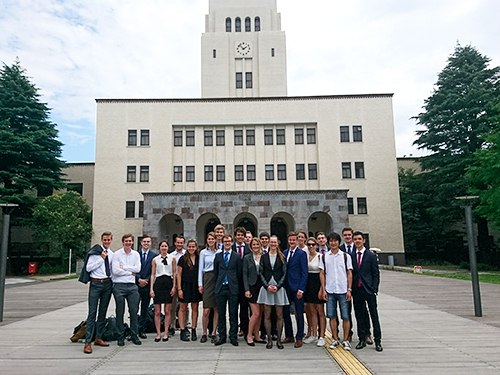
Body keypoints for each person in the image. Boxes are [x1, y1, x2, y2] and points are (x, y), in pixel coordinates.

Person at [80, 231, 114, 354]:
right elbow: (88, 268)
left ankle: (98, 337)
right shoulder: (95, 252)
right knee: (92, 313)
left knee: (103, 311)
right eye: (105, 239)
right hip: (95, 284)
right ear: (101, 240)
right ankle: (88, 341)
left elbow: (112, 269)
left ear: (111, 240)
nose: (107, 241)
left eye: (109, 239)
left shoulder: (112, 253)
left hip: (107, 284)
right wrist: (101, 259)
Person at [319, 232, 353, 351]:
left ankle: (346, 339)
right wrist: (323, 289)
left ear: (339, 242)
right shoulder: (324, 256)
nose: (333, 243)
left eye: (335, 241)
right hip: (330, 290)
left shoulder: (345, 256)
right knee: (332, 316)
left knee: (345, 316)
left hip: (343, 289)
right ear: (328, 242)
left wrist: (349, 289)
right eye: (331, 241)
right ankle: (335, 338)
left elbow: (349, 273)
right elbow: (322, 273)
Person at [351, 231, 383, 352]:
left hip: (368, 289)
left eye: (359, 239)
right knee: (359, 315)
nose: (357, 241)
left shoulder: (371, 256)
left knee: (374, 315)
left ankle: (378, 340)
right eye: (355, 239)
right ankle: (362, 339)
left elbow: (375, 274)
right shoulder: (352, 256)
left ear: (364, 241)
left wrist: (374, 289)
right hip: (357, 289)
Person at [257, 235, 288, 349]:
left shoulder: (282, 257)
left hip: (278, 288)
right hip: (267, 288)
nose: (273, 244)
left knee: (279, 315)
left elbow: (284, 273)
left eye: (275, 242)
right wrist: (267, 286)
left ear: (278, 243)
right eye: (271, 242)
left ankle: (279, 340)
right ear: (269, 243)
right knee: (267, 315)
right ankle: (269, 339)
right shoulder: (264, 257)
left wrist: (278, 286)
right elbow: (260, 272)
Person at [111, 233, 142, 346]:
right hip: (119, 286)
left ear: (133, 242)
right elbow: (115, 271)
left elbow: (138, 269)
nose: (128, 243)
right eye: (126, 241)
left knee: (133, 311)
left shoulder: (136, 254)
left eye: (130, 241)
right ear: (123, 242)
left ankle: (134, 334)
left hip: (132, 286)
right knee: (120, 311)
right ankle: (120, 335)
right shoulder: (117, 254)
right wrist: (130, 271)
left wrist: (123, 267)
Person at [213, 234, 243, 346]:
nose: (227, 243)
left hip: (232, 288)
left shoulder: (236, 256)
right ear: (223, 242)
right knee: (221, 314)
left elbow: (239, 273)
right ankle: (222, 336)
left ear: (231, 242)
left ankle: (233, 336)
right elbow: (216, 272)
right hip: (221, 287)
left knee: (233, 313)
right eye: (225, 241)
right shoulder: (218, 256)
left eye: (229, 241)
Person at [283, 231, 308, 348]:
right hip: (286, 287)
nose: (292, 242)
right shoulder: (284, 252)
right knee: (285, 312)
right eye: (290, 240)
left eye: (294, 240)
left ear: (297, 241)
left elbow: (304, 273)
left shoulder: (301, 254)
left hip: (297, 287)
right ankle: (289, 335)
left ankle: (299, 337)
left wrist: (301, 289)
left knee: (298, 313)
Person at [149, 241, 176, 342]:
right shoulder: (155, 259)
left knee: (167, 310)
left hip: (168, 282)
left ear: (168, 248)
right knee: (157, 311)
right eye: (162, 246)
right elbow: (152, 274)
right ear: (159, 248)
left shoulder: (172, 258)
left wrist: (174, 286)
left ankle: (166, 332)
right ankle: (158, 333)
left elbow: (174, 273)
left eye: (165, 246)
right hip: (158, 283)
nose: (164, 248)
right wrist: (151, 288)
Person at [177, 239, 202, 342]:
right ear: (187, 247)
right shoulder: (182, 259)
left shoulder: (199, 258)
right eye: (189, 247)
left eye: (193, 247)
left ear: (196, 247)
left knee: (195, 307)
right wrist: (179, 288)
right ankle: (182, 330)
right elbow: (179, 274)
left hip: (195, 285)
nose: (191, 248)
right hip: (185, 285)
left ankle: (194, 329)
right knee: (183, 307)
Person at [303, 237, 327, 347]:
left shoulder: (321, 257)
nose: (311, 246)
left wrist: (323, 288)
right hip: (308, 284)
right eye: (309, 245)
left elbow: (323, 273)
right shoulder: (305, 256)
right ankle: (313, 333)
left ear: (316, 245)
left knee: (320, 311)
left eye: (313, 244)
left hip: (317, 283)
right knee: (311, 311)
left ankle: (322, 335)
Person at [198, 232, 220, 343]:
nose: (211, 240)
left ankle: (213, 332)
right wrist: (200, 284)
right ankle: (204, 332)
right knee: (206, 309)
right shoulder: (203, 253)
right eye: (209, 239)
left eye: (213, 239)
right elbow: (200, 269)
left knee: (216, 308)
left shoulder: (219, 252)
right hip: (207, 278)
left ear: (216, 240)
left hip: (217, 278)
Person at [243, 237, 266, 346]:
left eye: (257, 244)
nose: (256, 246)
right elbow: (245, 274)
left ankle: (257, 335)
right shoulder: (247, 258)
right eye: (254, 245)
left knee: (260, 312)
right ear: (251, 246)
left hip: (262, 286)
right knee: (255, 313)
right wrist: (246, 289)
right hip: (252, 286)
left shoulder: (264, 257)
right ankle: (249, 335)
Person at [136, 235, 156, 339]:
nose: (146, 243)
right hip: (136, 285)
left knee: (144, 308)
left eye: (148, 241)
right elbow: (132, 269)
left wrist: (147, 280)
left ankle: (142, 329)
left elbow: (153, 271)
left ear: (150, 243)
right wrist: (139, 279)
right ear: (141, 243)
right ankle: (134, 329)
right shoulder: (135, 254)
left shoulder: (154, 256)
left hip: (147, 285)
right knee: (134, 308)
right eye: (144, 241)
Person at [232, 227, 250, 338]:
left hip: (245, 282)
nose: (240, 237)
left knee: (244, 307)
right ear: (235, 236)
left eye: (242, 235)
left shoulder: (249, 248)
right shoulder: (232, 248)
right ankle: (234, 329)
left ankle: (245, 328)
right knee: (233, 307)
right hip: (234, 281)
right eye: (238, 235)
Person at [169, 235, 186, 336]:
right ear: (175, 243)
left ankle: (185, 324)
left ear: (184, 244)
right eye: (178, 242)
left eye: (181, 243)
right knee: (172, 305)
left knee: (185, 305)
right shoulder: (171, 255)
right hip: (174, 281)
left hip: (184, 281)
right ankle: (172, 325)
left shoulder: (186, 254)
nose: (179, 244)